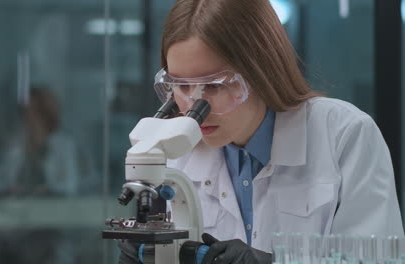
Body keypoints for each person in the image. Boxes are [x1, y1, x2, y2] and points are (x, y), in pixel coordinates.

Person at [119, 0, 404, 263]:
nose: (195, 105)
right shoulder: (174, 154)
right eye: (182, 86)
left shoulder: (344, 134)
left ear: (261, 70)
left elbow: (378, 256)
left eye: (215, 85)